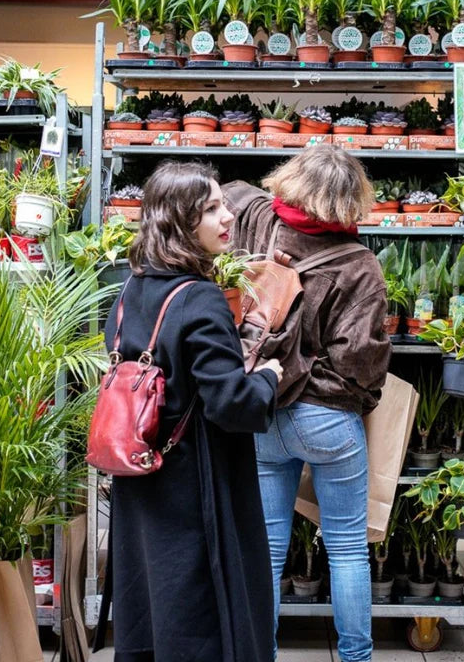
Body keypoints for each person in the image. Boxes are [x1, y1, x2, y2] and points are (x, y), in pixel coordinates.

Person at [101, 161, 283, 662]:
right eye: (210, 208)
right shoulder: (200, 298)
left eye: (223, 203)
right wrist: (266, 378)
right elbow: (231, 404)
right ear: (180, 221)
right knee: (202, 614)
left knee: (154, 607)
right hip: (195, 488)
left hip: (142, 479)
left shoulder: (129, 289)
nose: (228, 216)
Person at [224, 145, 392, 662]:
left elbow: (228, 194)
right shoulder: (360, 267)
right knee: (345, 550)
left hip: (261, 407)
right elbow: (361, 367)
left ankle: (262, 655)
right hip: (327, 421)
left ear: (292, 181)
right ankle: (356, 657)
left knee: (268, 551)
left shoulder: (256, 221)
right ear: (350, 202)